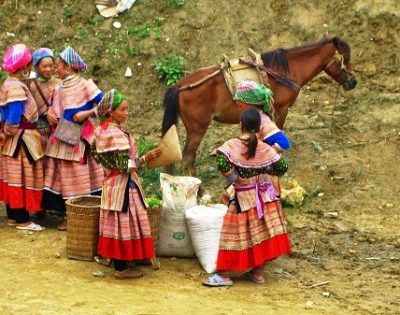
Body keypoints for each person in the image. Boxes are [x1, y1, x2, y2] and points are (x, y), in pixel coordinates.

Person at [203, 108, 291, 286]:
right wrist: (265, 169)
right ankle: (257, 272)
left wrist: (235, 178)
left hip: (243, 198)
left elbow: (222, 162)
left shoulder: (232, 145)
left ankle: (225, 274)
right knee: (260, 233)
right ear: (259, 128)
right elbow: (282, 166)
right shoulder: (265, 148)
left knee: (235, 236)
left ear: (240, 124)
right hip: (265, 197)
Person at [92, 89, 161, 279]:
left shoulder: (100, 131)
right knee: (125, 224)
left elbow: (94, 153)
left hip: (109, 183)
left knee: (114, 224)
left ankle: (119, 262)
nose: (127, 112)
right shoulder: (117, 136)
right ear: (111, 112)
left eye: (127, 109)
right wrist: (145, 158)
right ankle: (122, 269)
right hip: (124, 186)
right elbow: (125, 166)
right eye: (123, 109)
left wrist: (108, 166)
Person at [44, 46, 104, 231]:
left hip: (79, 139)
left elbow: (105, 105)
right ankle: (68, 215)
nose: (56, 69)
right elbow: (53, 108)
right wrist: (49, 114)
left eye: (59, 65)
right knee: (63, 178)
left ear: (69, 67)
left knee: (79, 177)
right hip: (62, 137)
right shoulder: (58, 87)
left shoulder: (86, 85)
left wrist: (86, 113)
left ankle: (83, 215)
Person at [0, 43, 45, 231]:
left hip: (12, 138)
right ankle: (22, 220)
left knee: (12, 176)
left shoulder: (7, 84)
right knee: (23, 176)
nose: (29, 68)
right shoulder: (17, 87)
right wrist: (8, 132)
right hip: (20, 138)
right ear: (24, 67)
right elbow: (14, 115)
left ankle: (13, 216)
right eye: (28, 64)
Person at [29, 48, 61, 150]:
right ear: (37, 67)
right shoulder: (32, 86)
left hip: (59, 126)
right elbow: (30, 110)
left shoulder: (60, 83)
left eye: (51, 66)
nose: (48, 69)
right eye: (44, 66)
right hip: (41, 128)